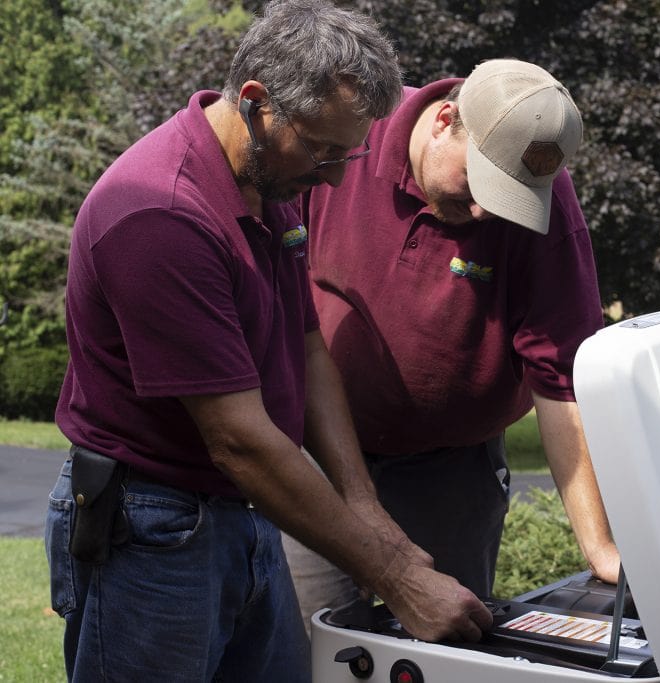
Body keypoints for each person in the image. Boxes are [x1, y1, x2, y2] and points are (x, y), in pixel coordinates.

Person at [45, 2, 492, 680]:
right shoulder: (160, 213)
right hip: (149, 528)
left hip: (241, 514)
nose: (336, 175)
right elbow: (238, 437)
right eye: (321, 147)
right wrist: (396, 574)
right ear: (256, 101)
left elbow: (308, 346)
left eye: (350, 152)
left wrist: (363, 502)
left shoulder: (265, 183)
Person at [285, 58, 621, 628]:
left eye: (513, 195)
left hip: (451, 474)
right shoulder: (347, 135)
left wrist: (600, 549)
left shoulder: (544, 205)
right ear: (444, 121)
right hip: (321, 458)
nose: (489, 211)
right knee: (307, 643)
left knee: (447, 647)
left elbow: (560, 379)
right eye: (478, 183)